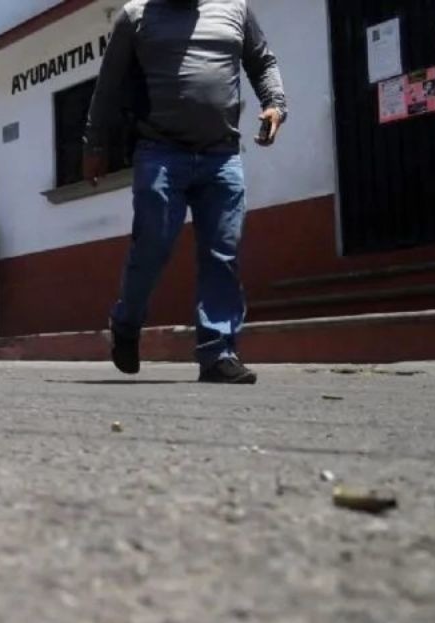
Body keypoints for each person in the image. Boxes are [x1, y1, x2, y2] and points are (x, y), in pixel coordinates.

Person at [85, 0, 287, 385]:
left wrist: (275, 104)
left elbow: (262, 62)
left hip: (222, 155)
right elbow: (107, 87)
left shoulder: (236, 10)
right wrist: (94, 146)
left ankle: (218, 353)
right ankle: (126, 323)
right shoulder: (135, 16)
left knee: (222, 254)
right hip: (160, 151)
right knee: (152, 246)